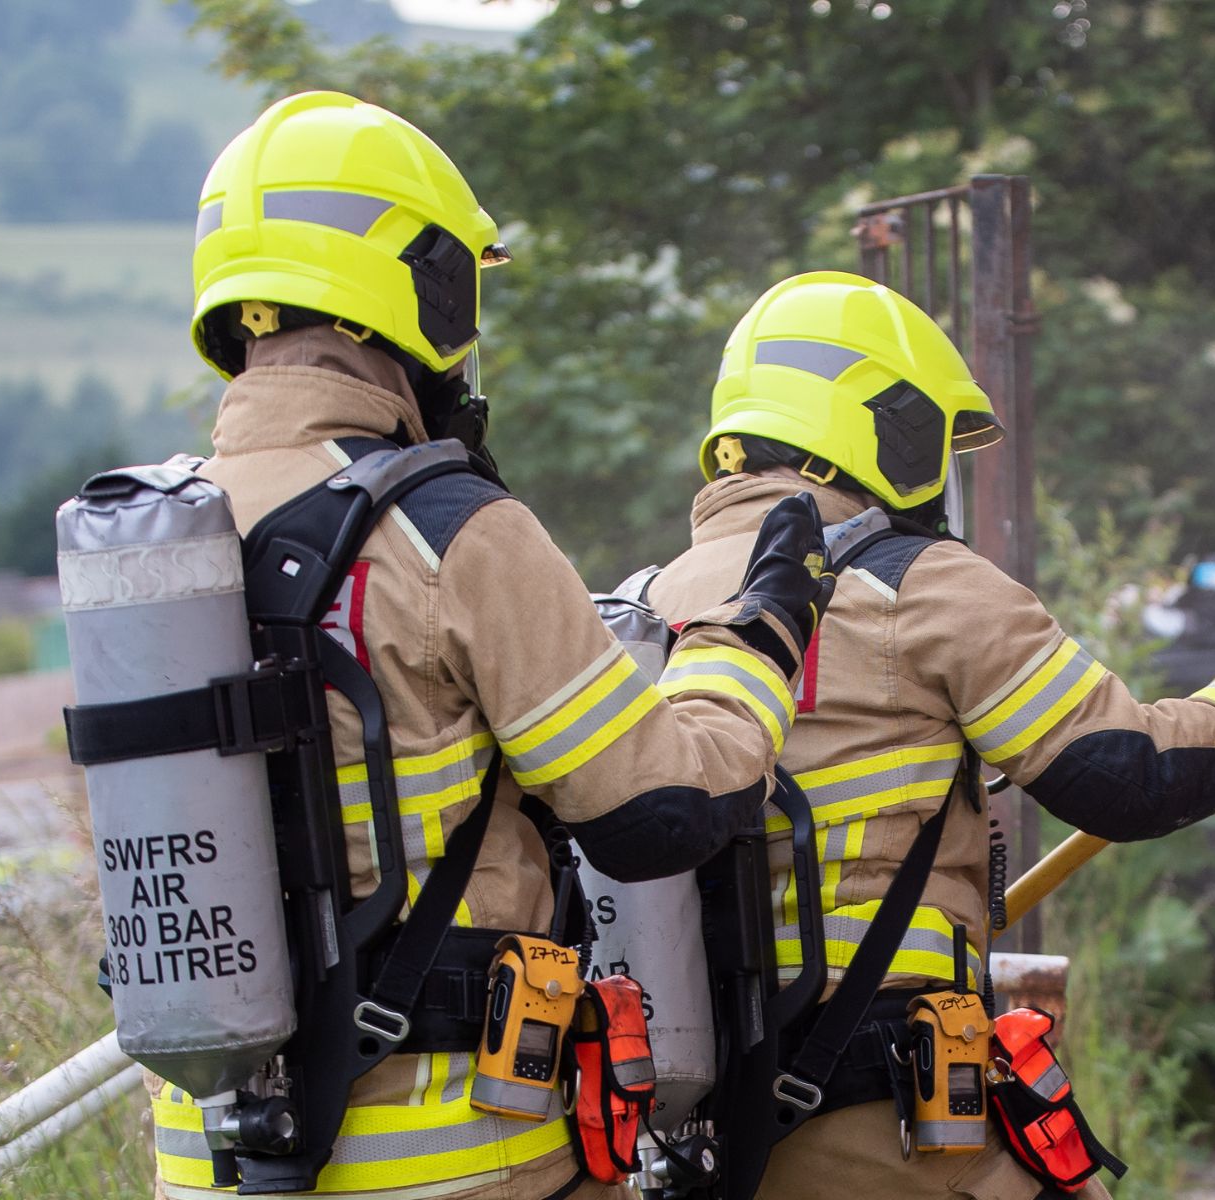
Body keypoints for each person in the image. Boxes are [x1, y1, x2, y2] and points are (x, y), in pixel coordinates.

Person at [151, 92, 830, 1200]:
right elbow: (652, 811)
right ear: (409, 286)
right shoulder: (445, 526)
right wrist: (755, 643)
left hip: (210, 1159)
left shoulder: (157, 537)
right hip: (454, 1157)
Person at [644, 271, 1215, 1200]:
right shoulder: (916, 582)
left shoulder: (648, 603)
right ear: (880, 427)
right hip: (886, 1124)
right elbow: (1128, 773)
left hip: (699, 1128)